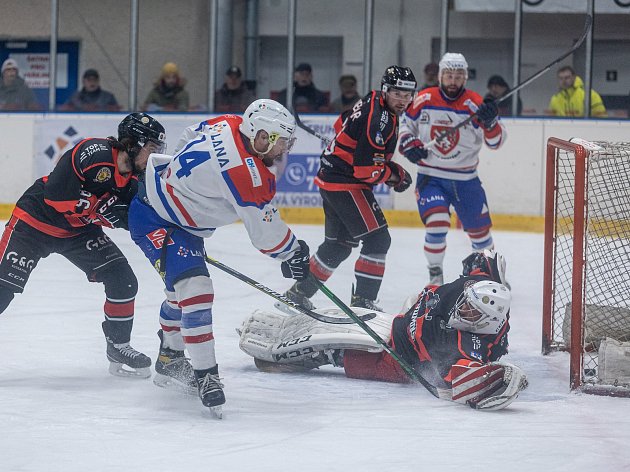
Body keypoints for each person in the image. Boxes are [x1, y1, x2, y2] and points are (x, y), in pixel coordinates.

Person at [127, 99, 311, 414]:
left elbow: (188, 135)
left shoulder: (227, 121)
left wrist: (189, 191)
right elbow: (265, 236)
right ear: (262, 136)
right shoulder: (247, 174)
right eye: (281, 142)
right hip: (157, 220)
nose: (284, 150)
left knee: (179, 292)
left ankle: (170, 359)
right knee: (195, 290)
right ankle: (206, 376)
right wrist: (294, 252)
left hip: (168, 208)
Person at [239, 250, 528, 411]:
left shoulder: (469, 346)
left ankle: (324, 356)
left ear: (486, 322)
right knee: (333, 319)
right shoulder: (467, 291)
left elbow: (460, 381)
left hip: (399, 360)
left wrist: (493, 381)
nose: (462, 309)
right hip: (394, 322)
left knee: (344, 350)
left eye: (471, 312)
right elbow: (484, 266)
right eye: (466, 304)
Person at [0, 112, 167, 378]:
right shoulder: (94, 153)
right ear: (133, 144)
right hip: (35, 223)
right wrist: (99, 210)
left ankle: (118, 346)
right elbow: (56, 197)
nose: (154, 156)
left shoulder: (137, 181)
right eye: (151, 149)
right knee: (3, 289)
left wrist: (169, 233)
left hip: (77, 232)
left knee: (122, 279)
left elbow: (137, 218)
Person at [280, 65, 416, 313]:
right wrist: (394, 174)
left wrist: (352, 145)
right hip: (346, 183)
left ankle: (298, 293)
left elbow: (340, 123)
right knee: (377, 239)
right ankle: (363, 301)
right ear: (386, 90)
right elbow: (365, 171)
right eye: (397, 93)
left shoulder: (372, 98)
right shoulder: (380, 120)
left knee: (339, 244)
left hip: (331, 179)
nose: (403, 100)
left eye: (408, 95)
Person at [398, 52, 507, 285]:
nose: (453, 80)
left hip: (466, 180)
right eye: (448, 75)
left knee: (481, 235)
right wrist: (410, 145)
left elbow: (496, 142)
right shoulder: (424, 98)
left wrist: (490, 123)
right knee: (437, 222)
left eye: (458, 75)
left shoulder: (476, 104)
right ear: (440, 76)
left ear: (465, 78)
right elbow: (405, 125)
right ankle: (435, 274)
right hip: (431, 177)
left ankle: (489, 274)